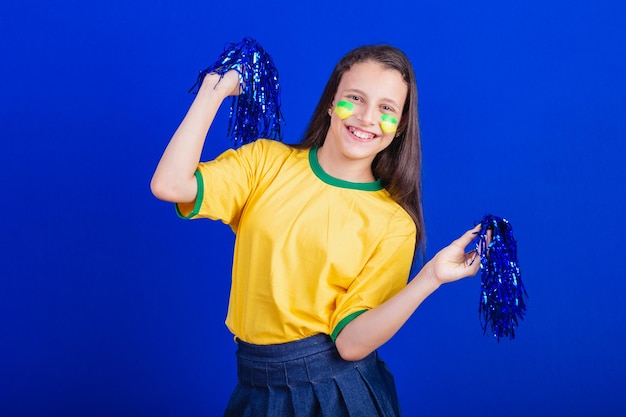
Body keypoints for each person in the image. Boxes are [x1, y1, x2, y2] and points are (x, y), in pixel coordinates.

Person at [151, 44, 483, 417]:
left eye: (386, 108)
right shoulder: (266, 163)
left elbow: (351, 344)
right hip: (253, 384)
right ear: (331, 102)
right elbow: (171, 185)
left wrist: (430, 277)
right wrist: (212, 93)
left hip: (335, 395)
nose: (367, 118)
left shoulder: (394, 224)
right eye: (354, 98)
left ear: (401, 124)